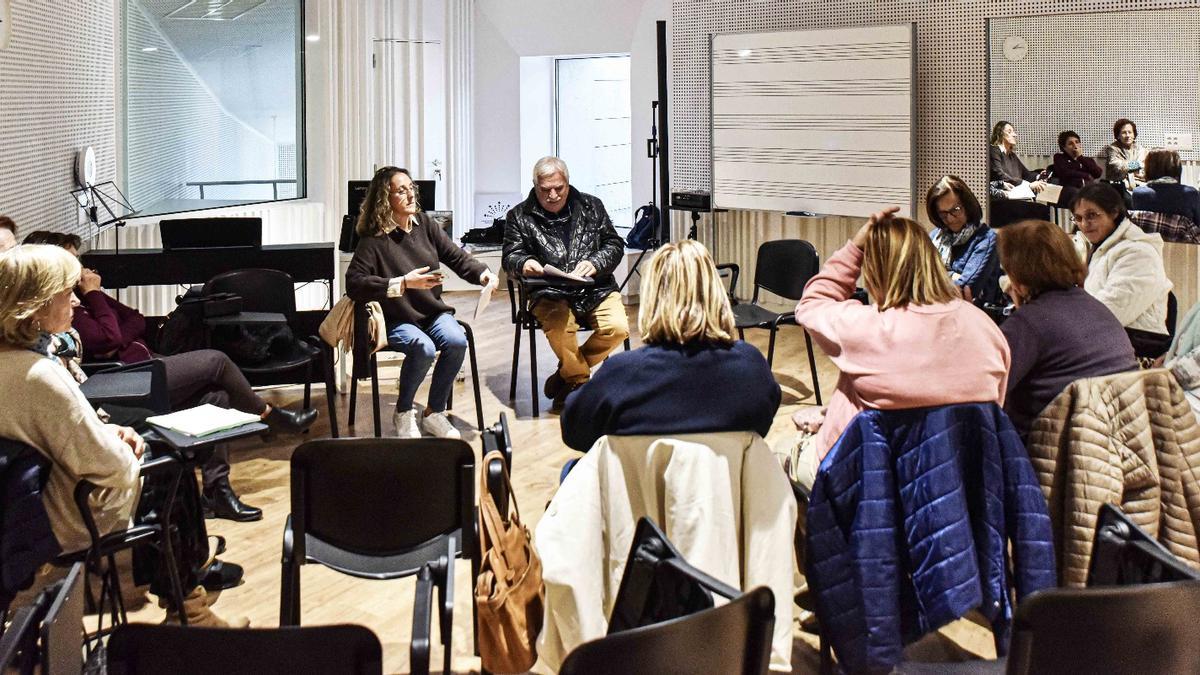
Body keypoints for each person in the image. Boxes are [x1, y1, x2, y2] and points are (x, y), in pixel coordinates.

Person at [0, 244, 244, 626]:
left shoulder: (12, 360)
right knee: (172, 465)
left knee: (163, 460)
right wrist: (124, 445)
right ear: (38, 304)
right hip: (62, 516)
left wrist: (107, 431)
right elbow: (110, 468)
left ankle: (191, 595)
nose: (75, 304)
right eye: (67, 294)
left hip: (20, 512)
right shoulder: (41, 375)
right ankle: (190, 609)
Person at [26, 230, 317, 522]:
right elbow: (108, 338)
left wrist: (107, 315)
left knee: (216, 397)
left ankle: (217, 492)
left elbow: (135, 319)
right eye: (73, 263)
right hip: (129, 379)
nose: (82, 272)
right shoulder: (73, 307)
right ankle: (267, 414)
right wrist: (95, 299)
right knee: (216, 360)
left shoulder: (82, 300)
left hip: (145, 362)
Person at [789, 208, 1010, 489]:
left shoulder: (866, 328)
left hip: (868, 484)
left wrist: (856, 247)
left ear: (874, 271)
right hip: (956, 484)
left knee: (785, 453)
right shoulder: (987, 330)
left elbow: (811, 304)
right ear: (931, 259)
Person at [559, 239, 780, 452]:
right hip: (722, 488)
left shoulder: (621, 373)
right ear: (716, 294)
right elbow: (761, 425)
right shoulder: (751, 367)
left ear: (652, 298)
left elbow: (574, 431)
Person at [346, 166, 497, 439]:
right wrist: (403, 283)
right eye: (400, 190)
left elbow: (456, 256)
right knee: (423, 348)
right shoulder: (373, 240)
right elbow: (354, 283)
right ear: (384, 198)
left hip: (431, 312)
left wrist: (482, 273)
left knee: (456, 341)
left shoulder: (425, 224)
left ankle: (433, 413)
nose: (410, 195)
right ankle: (403, 412)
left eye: (410, 188)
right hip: (397, 317)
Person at [502, 156, 629, 412]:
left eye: (558, 188)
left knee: (617, 328)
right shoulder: (519, 215)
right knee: (561, 330)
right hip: (548, 291)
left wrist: (596, 261)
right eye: (544, 189)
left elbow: (614, 244)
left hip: (596, 287)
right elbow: (510, 255)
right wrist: (524, 262)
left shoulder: (592, 206)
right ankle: (579, 384)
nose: (552, 195)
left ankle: (564, 375)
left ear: (568, 184)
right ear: (535, 186)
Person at [995, 220, 1138, 437]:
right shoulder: (1097, 308)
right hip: (1113, 447)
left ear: (1018, 273)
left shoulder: (1029, 323)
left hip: (1052, 452)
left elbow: (985, 390)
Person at [1071, 182, 1172, 358]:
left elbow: (1107, 315)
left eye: (1091, 215)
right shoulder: (1101, 249)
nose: (1084, 224)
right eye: (1078, 218)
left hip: (1136, 357)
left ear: (1114, 213)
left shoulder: (1139, 253)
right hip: (1110, 346)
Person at [924, 176, 1004, 307]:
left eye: (955, 210)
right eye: (943, 214)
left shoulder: (986, 239)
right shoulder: (934, 236)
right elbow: (915, 276)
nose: (949, 219)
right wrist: (953, 276)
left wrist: (934, 275)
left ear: (967, 205)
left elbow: (965, 289)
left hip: (974, 317)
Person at [1132, 148, 1200, 227]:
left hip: (1148, 239)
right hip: (1182, 239)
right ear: (1176, 167)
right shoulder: (1190, 193)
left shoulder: (1138, 193)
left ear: (1150, 167)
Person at [989, 121, 1048, 194]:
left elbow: (1026, 174)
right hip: (1003, 196)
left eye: (1013, 132)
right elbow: (999, 174)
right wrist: (1029, 185)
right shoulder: (994, 151)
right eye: (1009, 132)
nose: (1015, 135)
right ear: (1000, 134)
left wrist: (1039, 176)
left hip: (1016, 194)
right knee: (1040, 206)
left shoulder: (1012, 155)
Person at [1100, 118, 1146, 184]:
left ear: (1134, 134)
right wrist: (1138, 164)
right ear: (1118, 135)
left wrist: (1129, 166)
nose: (1127, 135)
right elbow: (1118, 166)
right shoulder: (1112, 149)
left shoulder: (1140, 148)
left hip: (1139, 183)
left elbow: (1144, 167)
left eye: (1130, 132)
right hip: (1119, 185)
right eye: (1124, 133)